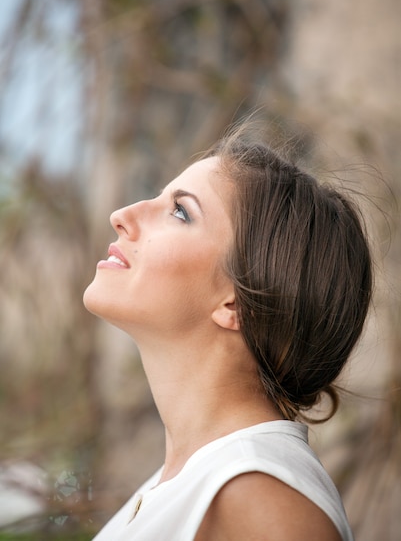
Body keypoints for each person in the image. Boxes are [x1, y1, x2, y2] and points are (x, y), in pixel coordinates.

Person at [83, 123, 372, 541]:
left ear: (236, 302)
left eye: (180, 212)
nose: (122, 216)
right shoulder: (193, 478)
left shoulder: (259, 495)